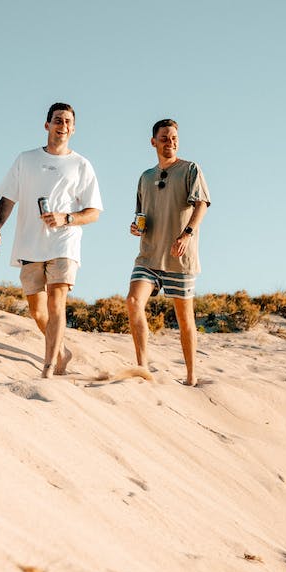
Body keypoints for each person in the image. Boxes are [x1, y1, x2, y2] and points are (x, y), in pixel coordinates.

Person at [0, 102, 103, 378]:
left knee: (56, 302)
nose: (62, 126)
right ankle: (61, 351)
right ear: (47, 125)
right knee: (38, 312)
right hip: (29, 244)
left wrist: (67, 219)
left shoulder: (81, 165)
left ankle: (48, 367)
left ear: (73, 129)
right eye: (57, 121)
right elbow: (8, 196)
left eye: (67, 122)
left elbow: (94, 212)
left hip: (64, 243)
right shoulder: (25, 159)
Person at [127, 118, 211, 386]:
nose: (170, 142)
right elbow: (142, 214)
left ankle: (190, 375)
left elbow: (201, 204)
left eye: (174, 137)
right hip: (149, 255)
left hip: (179, 258)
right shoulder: (145, 177)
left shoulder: (190, 169)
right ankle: (142, 367)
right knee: (132, 302)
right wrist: (136, 226)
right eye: (164, 138)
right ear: (153, 142)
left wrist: (187, 234)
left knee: (185, 319)